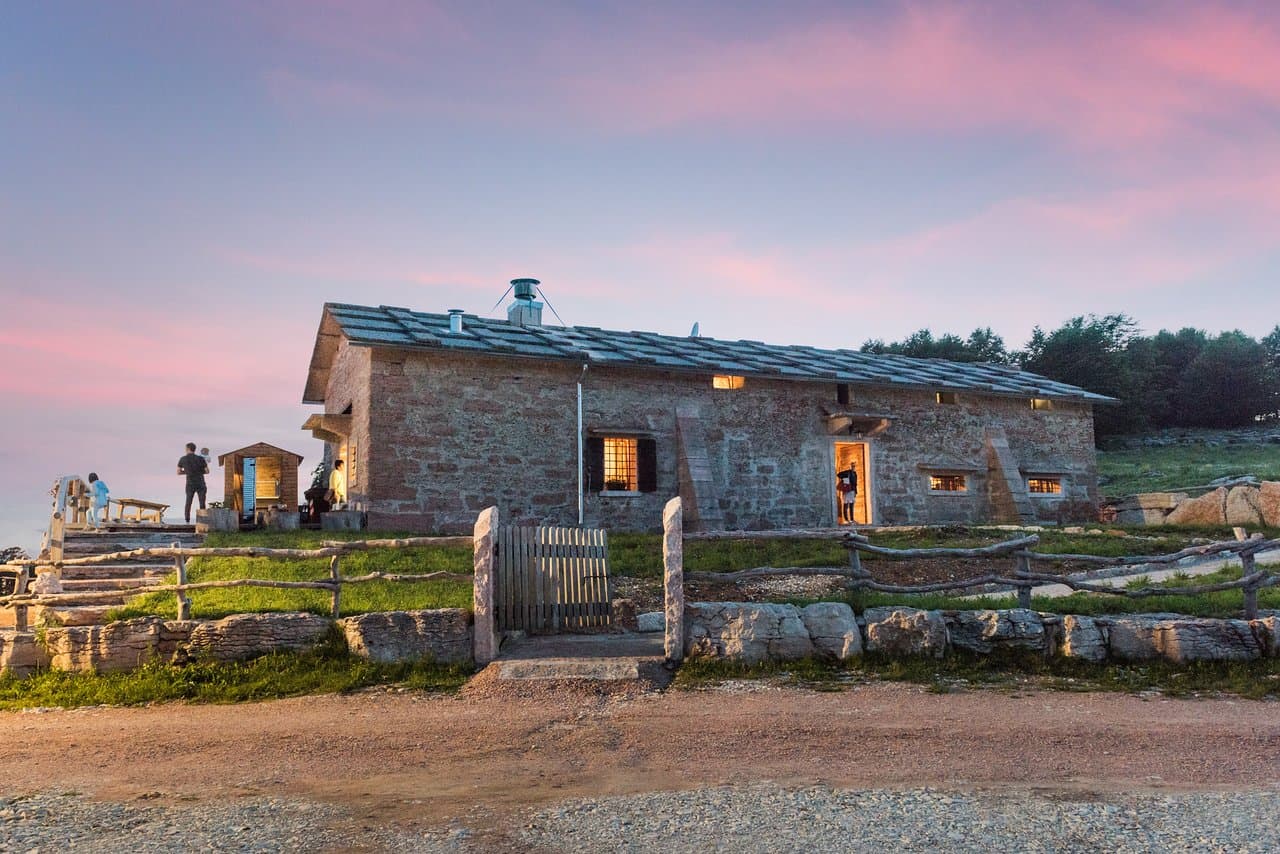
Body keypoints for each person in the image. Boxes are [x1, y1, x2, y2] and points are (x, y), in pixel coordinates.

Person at [177, 442, 210, 524]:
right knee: (202, 502)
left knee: (188, 502)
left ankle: (187, 520)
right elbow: (207, 471)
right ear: (194, 449)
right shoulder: (201, 458)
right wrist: (198, 471)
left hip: (190, 484)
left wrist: (188, 472)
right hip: (201, 483)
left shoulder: (183, 459)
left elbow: (178, 472)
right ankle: (203, 521)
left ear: (187, 449)